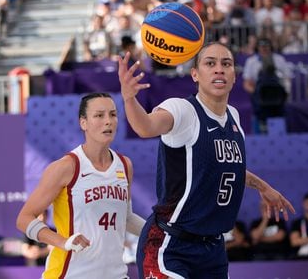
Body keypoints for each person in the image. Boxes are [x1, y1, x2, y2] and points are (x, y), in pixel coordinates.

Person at [118, 42, 295, 279]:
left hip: (212, 251)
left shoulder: (233, 116)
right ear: (195, 74)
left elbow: (225, 167)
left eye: (226, 64)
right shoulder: (182, 110)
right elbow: (145, 126)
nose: (219, 69)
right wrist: (129, 99)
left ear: (234, 76)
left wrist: (264, 188)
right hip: (169, 244)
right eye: (210, 63)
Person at [16, 92, 145, 278]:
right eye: (99, 115)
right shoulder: (66, 167)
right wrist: (63, 242)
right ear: (83, 122)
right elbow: (24, 219)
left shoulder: (125, 165)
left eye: (113, 114)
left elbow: (125, 218)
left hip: (116, 274)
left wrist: (159, 231)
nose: (108, 121)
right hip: (71, 273)